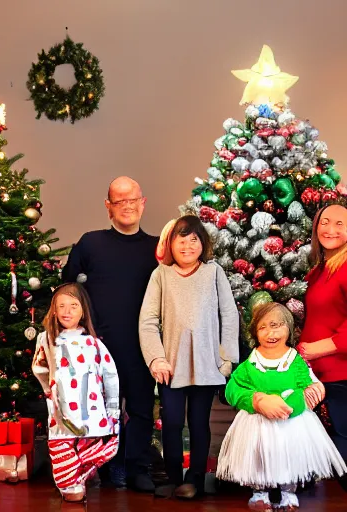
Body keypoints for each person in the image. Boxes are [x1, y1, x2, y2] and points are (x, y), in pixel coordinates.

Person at [62, 176, 158, 492]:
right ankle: (104, 464)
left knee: (142, 408)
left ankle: (138, 467)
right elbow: (68, 290)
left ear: (143, 203)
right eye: (119, 201)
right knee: (99, 408)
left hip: (142, 344)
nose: (127, 206)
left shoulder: (157, 249)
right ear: (108, 207)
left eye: (133, 200)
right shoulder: (90, 243)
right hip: (97, 346)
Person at [139, 215, 239, 499]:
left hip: (207, 364)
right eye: (181, 239)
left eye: (193, 239)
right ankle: (172, 476)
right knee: (171, 422)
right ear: (171, 244)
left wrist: (225, 356)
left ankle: (193, 479)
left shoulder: (214, 272)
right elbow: (147, 320)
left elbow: (229, 315)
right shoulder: (161, 274)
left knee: (198, 422)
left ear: (202, 243)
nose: (187, 245)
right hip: (171, 365)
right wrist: (156, 358)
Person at [217, 302, 346, 510]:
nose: (271, 332)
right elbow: (233, 389)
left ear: (289, 327)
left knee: (290, 455)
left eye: (277, 325)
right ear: (255, 333)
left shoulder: (295, 361)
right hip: (257, 422)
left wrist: (298, 400)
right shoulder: (250, 364)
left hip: (291, 421)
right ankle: (260, 493)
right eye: (263, 327)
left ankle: (288, 494)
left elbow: (306, 387)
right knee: (258, 455)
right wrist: (256, 400)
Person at [32, 283, 120, 502]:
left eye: (73, 305)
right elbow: (39, 367)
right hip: (60, 418)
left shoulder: (94, 344)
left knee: (107, 448)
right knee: (71, 492)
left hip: (91, 416)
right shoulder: (47, 339)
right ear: (54, 310)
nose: (67, 311)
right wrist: (50, 390)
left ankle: (78, 475)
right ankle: (71, 480)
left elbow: (111, 376)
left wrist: (113, 409)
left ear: (83, 311)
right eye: (61, 306)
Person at [298, 204, 347, 474]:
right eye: (324, 222)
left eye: (339, 224)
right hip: (317, 374)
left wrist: (318, 348)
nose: (330, 229)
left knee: (342, 450)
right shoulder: (319, 270)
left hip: (341, 374)